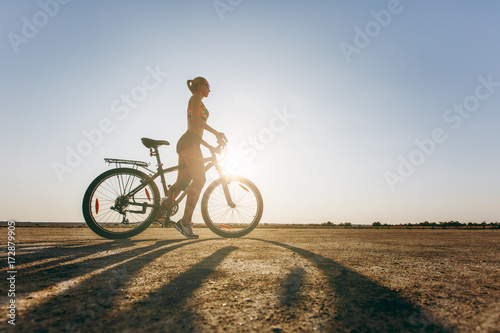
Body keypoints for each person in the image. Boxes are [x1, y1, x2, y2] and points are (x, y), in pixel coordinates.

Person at [167, 77, 227, 239]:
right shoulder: (195, 98)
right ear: (200, 86)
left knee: (182, 183)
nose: (209, 89)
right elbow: (194, 121)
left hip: (191, 141)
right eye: (208, 85)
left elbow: (195, 129)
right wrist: (217, 133)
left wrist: (210, 147)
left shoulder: (197, 99)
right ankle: (185, 222)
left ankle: (161, 211)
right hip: (190, 143)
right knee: (200, 180)